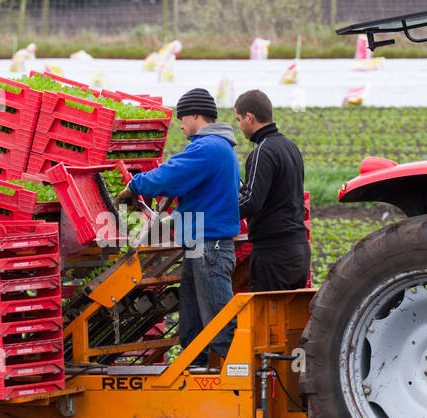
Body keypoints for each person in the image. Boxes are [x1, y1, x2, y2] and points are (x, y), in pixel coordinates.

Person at [115, 87, 240, 369]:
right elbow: (196, 194)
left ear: (195, 115)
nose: (180, 125)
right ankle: (199, 370)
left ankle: (239, 379)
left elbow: (169, 176)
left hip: (211, 247)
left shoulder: (207, 148)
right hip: (201, 245)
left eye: (182, 118)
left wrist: (134, 185)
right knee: (193, 320)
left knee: (218, 320)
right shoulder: (221, 148)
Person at [234, 89, 311, 291]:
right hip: (299, 249)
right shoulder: (290, 146)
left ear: (249, 118)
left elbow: (251, 201)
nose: (239, 126)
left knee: (266, 319)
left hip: (274, 253)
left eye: (238, 119)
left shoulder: (263, 151)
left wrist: (214, 211)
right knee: (289, 321)